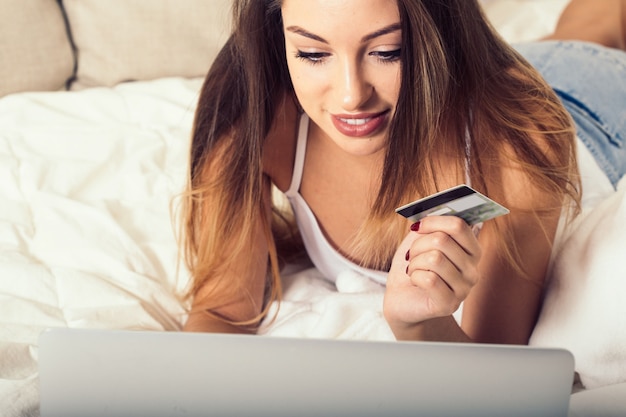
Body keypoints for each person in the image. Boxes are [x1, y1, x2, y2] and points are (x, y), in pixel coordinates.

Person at [180, 0, 626, 345]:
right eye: (313, 53)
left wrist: (420, 327)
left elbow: (495, 363)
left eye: (387, 52)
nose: (351, 97)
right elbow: (220, 314)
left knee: (591, 33)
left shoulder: (522, 136)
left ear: (436, 35)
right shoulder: (253, 112)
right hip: (490, 74)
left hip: (590, 112)